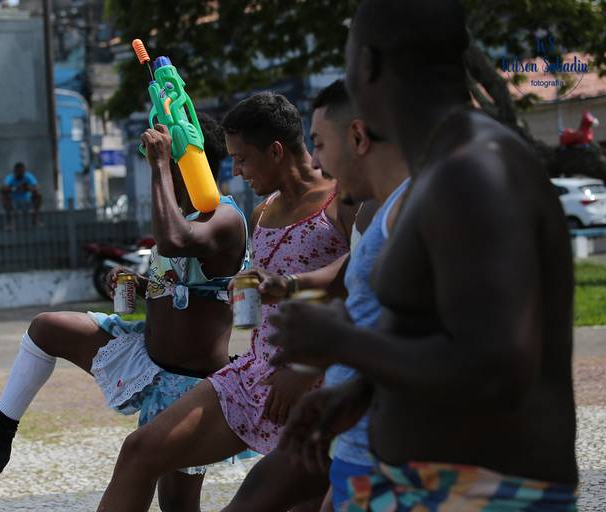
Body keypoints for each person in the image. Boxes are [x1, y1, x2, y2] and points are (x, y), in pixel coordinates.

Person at [270, 1, 578, 510]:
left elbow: (497, 367)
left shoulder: (473, 168)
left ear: (367, 63)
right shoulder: (443, 168)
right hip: (428, 487)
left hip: (485, 495)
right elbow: (447, 329)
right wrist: (361, 391)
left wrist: (342, 342)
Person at [0, 114, 250, 511]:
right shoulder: (182, 216)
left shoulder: (224, 217)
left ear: (189, 166)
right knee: (48, 328)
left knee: (177, 504)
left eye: (169, 165)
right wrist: (138, 284)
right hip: (147, 359)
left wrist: (159, 167)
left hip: (188, 385)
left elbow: (173, 240)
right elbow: (182, 286)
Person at [96, 92, 358, 512]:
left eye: (242, 159)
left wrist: (305, 365)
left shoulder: (342, 201)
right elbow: (263, 297)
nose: (235, 171)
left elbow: (357, 287)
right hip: (256, 373)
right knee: (140, 450)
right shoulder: (263, 212)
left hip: (318, 382)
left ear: (276, 151)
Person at [224, 80, 409, 512]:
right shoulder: (377, 208)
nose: (316, 161)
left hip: (402, 445)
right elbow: (356, 289)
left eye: (320, 144)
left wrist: (312, 368)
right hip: (350, 426)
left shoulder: (413, 208)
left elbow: (433, 335)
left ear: (358, 138)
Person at [0, 162, 43, 226]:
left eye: (22, 172)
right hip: (13, 203)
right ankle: (9, 221)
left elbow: (37, 187)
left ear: (24, 171)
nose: (20, 174)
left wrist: (28, 188)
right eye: (18, 172)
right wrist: (15, 188)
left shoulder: (28, 176)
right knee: (4, 195)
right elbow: (2, 189)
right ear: (14, 172)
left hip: (27, 201)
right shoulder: (10, 178)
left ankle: (35, 219)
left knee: (38, 195)